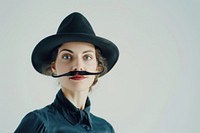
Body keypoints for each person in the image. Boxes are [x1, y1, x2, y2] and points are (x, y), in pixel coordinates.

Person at [15, 12, 119, 133]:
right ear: (54, 66)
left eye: (87, 57)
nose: (78, 66)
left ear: (97, 67)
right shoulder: (39, 122)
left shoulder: (106, 129)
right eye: (67, 57)